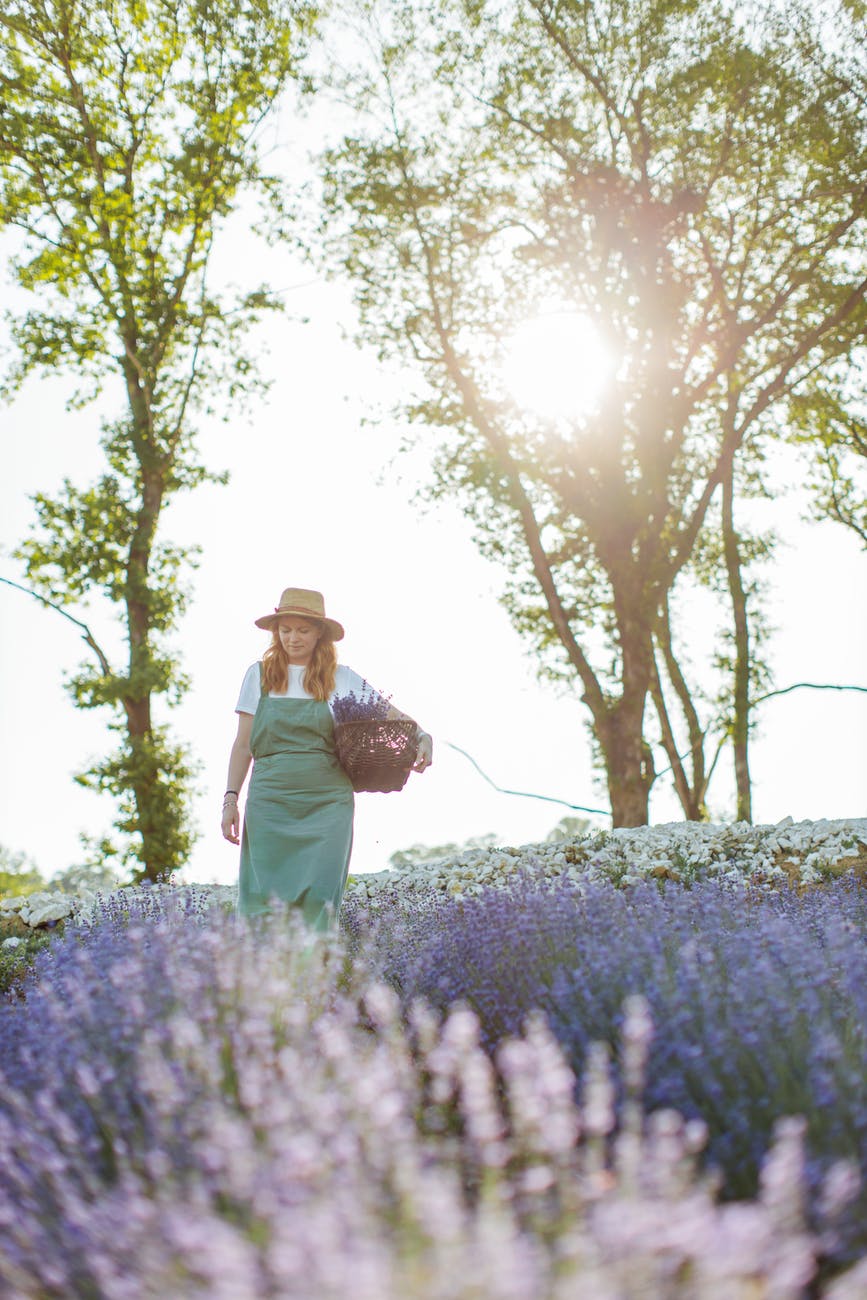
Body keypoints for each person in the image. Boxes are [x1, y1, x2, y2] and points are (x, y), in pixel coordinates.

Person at [222, 587, 433, 928]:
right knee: (266, 904)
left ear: (319, 633)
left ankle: (317, 977)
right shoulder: (257, 676)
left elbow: (395, 717)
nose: (293, 638)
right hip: (270, 802)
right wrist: (230, 800)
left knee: (320, 900)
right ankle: (266, 977)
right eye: (285, 629)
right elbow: (243, 745)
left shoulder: (341, 678)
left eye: (302, 630)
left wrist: (422, 735)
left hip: (327, 804)